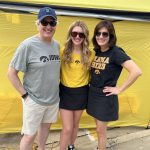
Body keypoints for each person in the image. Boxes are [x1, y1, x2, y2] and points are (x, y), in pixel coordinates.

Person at [7, 7, 60, 150]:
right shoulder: (27, 45)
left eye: (52, 23)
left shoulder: (56, 45)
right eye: (45, 22)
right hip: (34, 99)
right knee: (29, 135)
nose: (48, 26)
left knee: (45, 130)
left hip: (53, 99)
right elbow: (11, 73)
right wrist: (25, 95)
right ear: (38, 24)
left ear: (56, 25)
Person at [86, 20, 142, 150]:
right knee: (98, 128)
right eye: (98, 33)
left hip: (105, 97)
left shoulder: (116, 52)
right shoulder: (96, 51)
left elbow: (136, 71)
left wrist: (120, 89)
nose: (100, 36)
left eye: (105, 34)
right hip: (93, 94)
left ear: (111, 36)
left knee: (101, 131)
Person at [59, 21, 94, 150]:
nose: (77, 37)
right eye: (74, 33)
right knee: (67, 128)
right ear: (70, 34)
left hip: (82, 92)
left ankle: (71, 146)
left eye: (81, 34)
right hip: (65, 92)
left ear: (85, 36)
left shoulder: (90, 54)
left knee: (75, 125)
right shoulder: (62, 52)